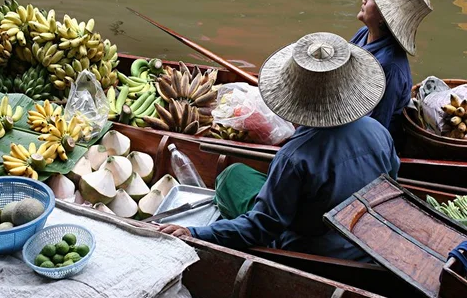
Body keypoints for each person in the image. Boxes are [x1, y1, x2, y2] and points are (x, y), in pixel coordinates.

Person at [158, 32, 400, 262]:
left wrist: (196, 233)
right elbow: (391, 185)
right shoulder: (378, 130)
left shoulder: (295, 157)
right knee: (240, 175)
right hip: (363, 237)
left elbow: (262, 227)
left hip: (311, 246)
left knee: (231, 176)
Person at [350, 0, 433, 147]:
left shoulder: (390, 67)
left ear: (383, 17)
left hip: (375, 139)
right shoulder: (363, 34)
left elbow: (378, 127)